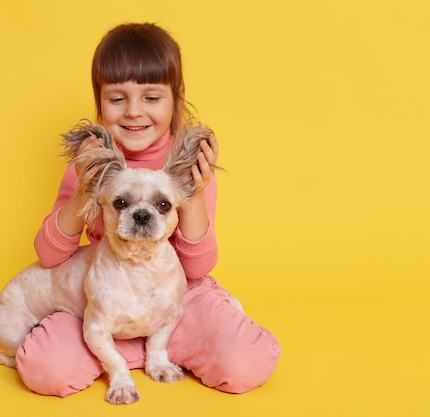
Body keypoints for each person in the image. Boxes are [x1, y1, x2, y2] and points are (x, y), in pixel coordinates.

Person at [15, 22, 280, 397]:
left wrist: (194, 192)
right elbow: (48, 255)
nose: (134, 112)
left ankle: (158, 346)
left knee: (246, 362)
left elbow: (197, 268)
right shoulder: (93, 163)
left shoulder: (189, 166)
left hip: (172, 300)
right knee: (45, 371)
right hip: (104, 302)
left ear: (176, 97)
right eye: (117, 98)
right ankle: (129, 355)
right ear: (99, 99)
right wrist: (86, 188)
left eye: (152, 98)